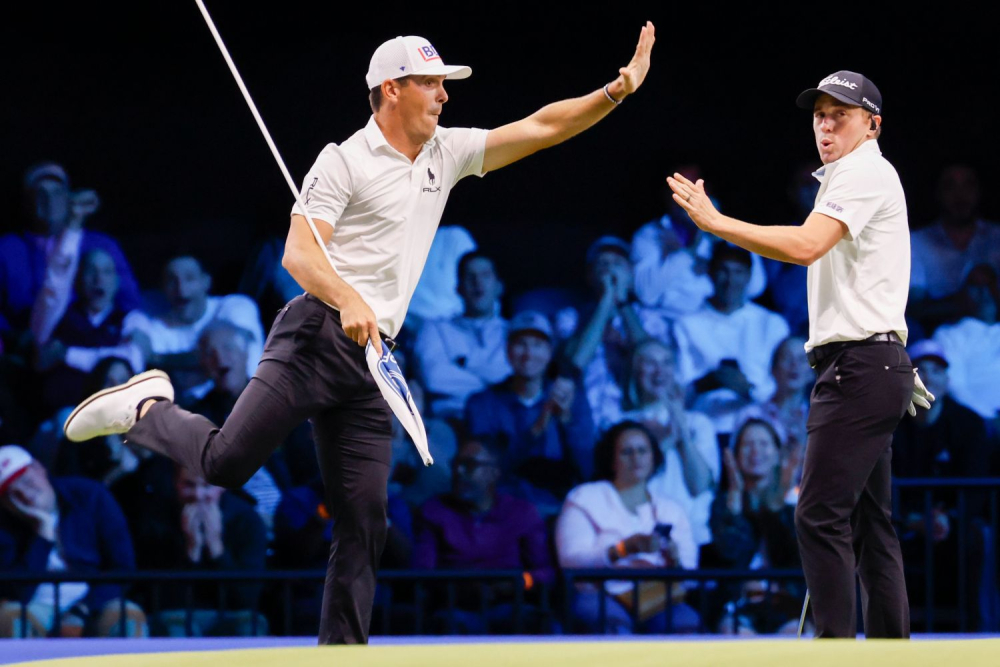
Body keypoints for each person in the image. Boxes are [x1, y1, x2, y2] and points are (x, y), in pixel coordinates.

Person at [63, 26, 657, 645]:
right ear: (392, 90)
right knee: (226, 463)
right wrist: (347, 297)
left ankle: (341, 655)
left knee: (366, 517)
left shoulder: (445, 154)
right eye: (431, 83)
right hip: (314, 337)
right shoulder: (343, 159)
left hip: (374, 360)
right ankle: (145, 407)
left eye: (444, 84)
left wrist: (614, 91)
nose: (443, 95)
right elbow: (298, 253)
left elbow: (540, 128)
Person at [665, 70, 932, 638]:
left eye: (841, 113)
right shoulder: (854, 177)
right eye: (820, 114)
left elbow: (808, 246)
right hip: (874, 363)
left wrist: (717, 224)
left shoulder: (861, 171)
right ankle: (893, 651)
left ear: (873, 125)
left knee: (818, 515)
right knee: (868, 522)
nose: (826, 123)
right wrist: (890, 358)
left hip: (860, 368)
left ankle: (835, 648)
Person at [556, 421, 699, 634]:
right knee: (613, 627)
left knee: (686, 625)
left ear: (653, 457)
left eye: (643, 451)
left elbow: (690, 572)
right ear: (612, 460)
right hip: (601, 594)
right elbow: (571, 560)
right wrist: (623, 549)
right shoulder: (585, 498)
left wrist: (674, 560)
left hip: (656, 596)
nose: (636, 458)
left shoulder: (671, 509)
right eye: (626, 452)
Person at [412, 437, 556, 634]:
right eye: (457, 464)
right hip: (455, 607)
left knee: (538, 622)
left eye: (469, 465)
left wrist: (518, 583)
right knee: (447, 624)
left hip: (510, 604)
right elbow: (421, 573)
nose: (459, 472)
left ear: (493, 473)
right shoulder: (434, 510)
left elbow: (545, 572)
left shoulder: (521, 512)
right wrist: (463, 588)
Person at [0, 445, 144, 638]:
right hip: (36, 605)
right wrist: (43, 535)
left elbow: (123, 567)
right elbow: (14, 590)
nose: (26, 495)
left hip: (94, 600)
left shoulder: (89, 495)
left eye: (27, 482)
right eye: (13, 495)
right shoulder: (5, 526)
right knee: (9, 617)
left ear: (39, 469)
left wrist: (82, 610)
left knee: (127, 615)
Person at [465, 311, 595, 511]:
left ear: (550, 352)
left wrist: (567, 422)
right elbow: (485, 471)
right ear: (507, 350)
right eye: (520, 344)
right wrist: (535, 430)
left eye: (537, 345)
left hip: (560, 505)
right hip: (504, 506)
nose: (528, 354)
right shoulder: (482, 403)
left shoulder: (572, 399)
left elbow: (587, 469)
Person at [673, 243, 789, 438]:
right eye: (723, 271)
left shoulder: (772, 324)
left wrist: (747, 389)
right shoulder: (686, 324)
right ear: (710, 273)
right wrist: (708, 382)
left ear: (749, 276)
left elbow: (785, 387)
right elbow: (679, 389)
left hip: (761, 427)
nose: (730, 280)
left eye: (738, 272)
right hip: (704, 425)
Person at [618, 339, 719, 547]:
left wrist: (682, 433)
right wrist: (665, 442)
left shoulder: (698, 423)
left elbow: (699, 485)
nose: (659, 371)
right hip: (639, 533)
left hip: (692, 535)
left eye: (666, 363)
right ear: (635, 371)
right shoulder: (621, 426)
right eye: (650, 363)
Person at [709, 419, 805, 635]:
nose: (755, 451)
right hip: (739, 604)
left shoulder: (795, 499)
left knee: (796, 635)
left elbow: (798, 553)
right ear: (735, 454)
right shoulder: (723, 503)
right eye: (748, 444)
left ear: (778, 453)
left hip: (788, 603)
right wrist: (734, 499)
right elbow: (731, 551)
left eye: (763, 444)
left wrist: (786, 497)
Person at [123, 255, 264, 400]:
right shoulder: (154, 327)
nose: (181, 288)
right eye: (172, 280)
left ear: (206, 281)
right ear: (163, 287)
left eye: (189, 278)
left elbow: (238, 352)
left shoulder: (235, 306)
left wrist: (159, 359)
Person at [414, 250, 511, 419]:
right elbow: (434, 377)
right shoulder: (435, 329)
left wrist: (465, 366)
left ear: (499, 287)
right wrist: (497, 388)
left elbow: (517, 376)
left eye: (485, 275)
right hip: (453, 421)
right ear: (458, 288)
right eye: (470, 276)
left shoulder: (513, 332)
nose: (477, 282)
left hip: (503, 420)